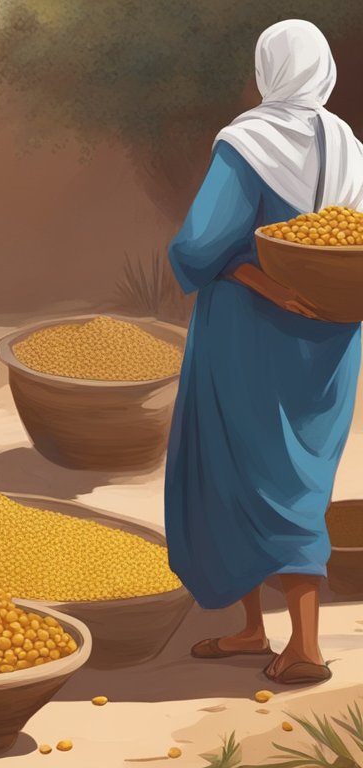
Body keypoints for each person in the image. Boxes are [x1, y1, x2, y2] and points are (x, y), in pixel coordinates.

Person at [165, 19, 362, 686]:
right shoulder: (349, 145)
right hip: (333, 335)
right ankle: (255, 630)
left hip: (251, 333)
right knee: (299, 476)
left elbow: (197, 247)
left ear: (267, 69)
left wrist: (263, 282)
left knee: (244, 472)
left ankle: (303, 646)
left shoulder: (248, 141)